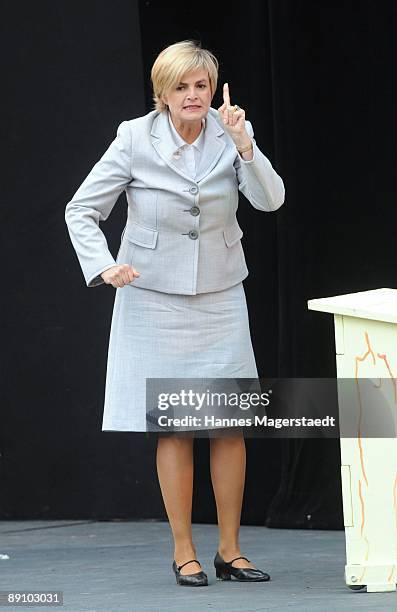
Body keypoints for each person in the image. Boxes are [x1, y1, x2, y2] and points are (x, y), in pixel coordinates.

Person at [64, 39, 285, 587]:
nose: (194, 95)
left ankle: (230, 550)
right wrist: (106, 265)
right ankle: (184, 550)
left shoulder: (231, 132)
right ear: (163, 93)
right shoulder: (134, 137)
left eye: (202, 85)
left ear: (213, 90)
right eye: (182, 86)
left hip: (220, 294)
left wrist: (245, 145)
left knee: (228, 425)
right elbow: (81, 209)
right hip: (154, 297)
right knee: (177, 427)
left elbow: (271, 200)